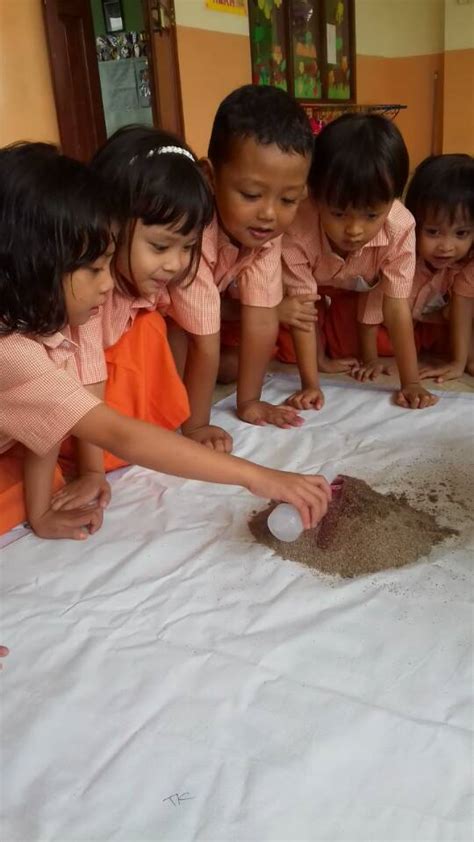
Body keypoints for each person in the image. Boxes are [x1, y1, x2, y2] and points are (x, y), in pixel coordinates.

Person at [0, 142, 331, 540]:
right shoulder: (13, 352)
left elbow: (47, 419)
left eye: (107, 266)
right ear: (35, 265)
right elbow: (119, 434)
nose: (106, 286)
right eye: (93, 270)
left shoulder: (42, 324)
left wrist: (41, 515)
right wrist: (257, 477)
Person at [166, 84, 315, 446]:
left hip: (200, 320)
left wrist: (249, 402)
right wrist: (197, 425)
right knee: (177, 348)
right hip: (148, 321)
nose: (268, 214)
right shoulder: (192, 232)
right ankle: (179, 409)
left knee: (227, 363)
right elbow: (202, 339)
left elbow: (263, 318)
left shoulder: (265, 231)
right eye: (251, 195)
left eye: (288, 199)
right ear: (210, 177)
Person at [77, 126, 213, 469]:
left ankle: (147, 431)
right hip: (78, 408)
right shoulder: (90, 290)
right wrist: (93, 472)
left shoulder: (161, 271)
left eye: (189, 246)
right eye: (160, 246)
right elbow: (86, 380)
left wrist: (196, 425)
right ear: (113, 225)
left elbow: (202, 332)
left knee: (154, 324)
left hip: (110, 408)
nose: (175, 263)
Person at [281, 113, 437, 410]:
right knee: (289, 349)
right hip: (307, 292)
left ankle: (329, 344)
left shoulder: (401, 227)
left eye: (371, 215)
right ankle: (321, 356)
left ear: (393, 200)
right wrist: (310, 385)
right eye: (339, 214)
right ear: (314, 195)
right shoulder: (296, 227)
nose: (354, 230)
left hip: (354, 293)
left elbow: (396, 305)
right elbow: (302, 305)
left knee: (370, 345)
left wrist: (411, 382)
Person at [405, 154, 474, 382]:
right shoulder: (403, 253)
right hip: (406, 323)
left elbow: (464, 307)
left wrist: (459, 362)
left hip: (452, 328)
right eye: (433, 232)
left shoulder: (468, 264)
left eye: (461, 233)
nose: (446, 247)